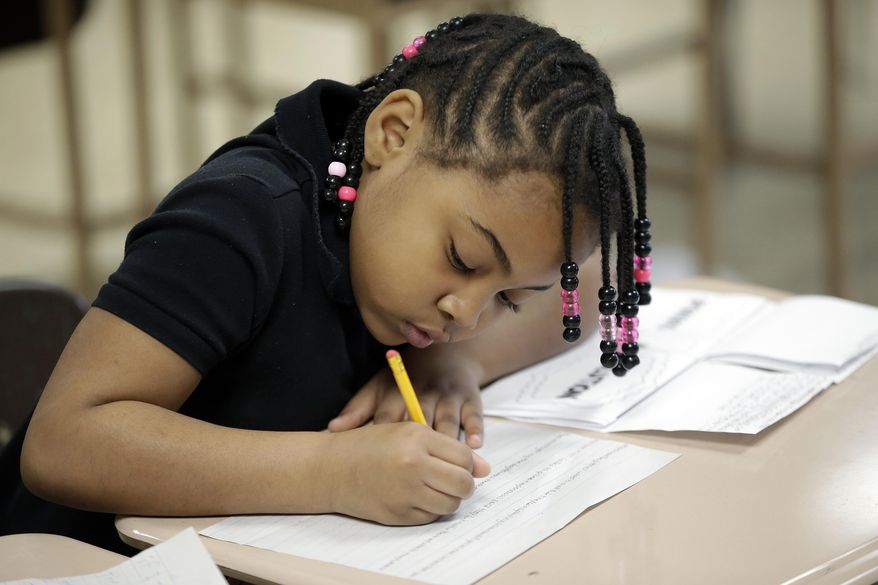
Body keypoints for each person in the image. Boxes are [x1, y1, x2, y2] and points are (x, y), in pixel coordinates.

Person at [1, 13, 652, 553]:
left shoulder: (419, 245)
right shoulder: (245, 219)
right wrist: (333, 472)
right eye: (462, 257)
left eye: (508, 298)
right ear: (391, 132)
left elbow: (587, 286)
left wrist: (454, 358)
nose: (468, 312)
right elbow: (63, 443)